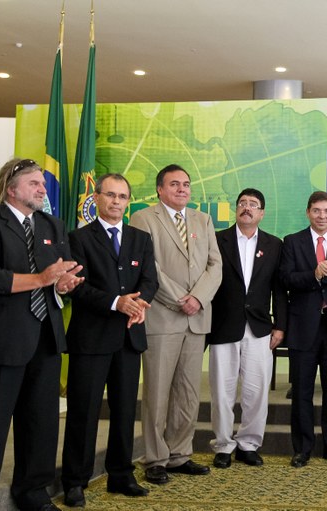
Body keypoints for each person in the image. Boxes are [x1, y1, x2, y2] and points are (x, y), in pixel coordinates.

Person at [0, 158, 83, 511]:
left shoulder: (53, 225)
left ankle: (32, 490)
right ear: (11, 189)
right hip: (3, 340)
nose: (43, 189)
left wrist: (65, 283)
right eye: (34, 183)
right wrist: (41, 280)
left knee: (41, 422)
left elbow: (59, 277)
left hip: (46, 337)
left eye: (42, 184)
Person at [61, 174, 158, 506]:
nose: (117, 201)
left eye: (123, 196)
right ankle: (75, 480)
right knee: (83, 413)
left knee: (124, 410)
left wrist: (140, 301)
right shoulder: (77, 238)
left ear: (129, 201)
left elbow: (150, 280)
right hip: (91, 340)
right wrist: (117, 302)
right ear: (97, 198)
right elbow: (79, 287)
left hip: (129, 338)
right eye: (111, 195)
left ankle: (121, 474)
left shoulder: (141, 238)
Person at [130, 164, 222, 484]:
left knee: (188, 392)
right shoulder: (143, 218)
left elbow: (215, 264)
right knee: (157, 391)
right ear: (160, 189)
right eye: (175, 184)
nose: (182, 189)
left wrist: (198, 298)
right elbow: (148, 266)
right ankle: (155, 457)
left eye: (186, 184)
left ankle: (180, 454)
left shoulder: (203, 219)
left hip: (196, 317)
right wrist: (178, 299)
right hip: (163, 316)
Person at [206, 188, 288, 469]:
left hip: (260, 328)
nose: (247, 208)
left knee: (256, 390)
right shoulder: (217, 240)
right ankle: (223, 445)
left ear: (262, 213)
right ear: (235, 209)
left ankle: (249, 444)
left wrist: (280, 326)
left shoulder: (275, 244)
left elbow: (279, 289)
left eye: (253, 204)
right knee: (222, 390)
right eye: (242, 203)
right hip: (223, 326)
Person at [280, 191, 327, 468]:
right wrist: (314, 275)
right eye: (316, 211)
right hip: (303, 327)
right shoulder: (292, 242)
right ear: (308, 212)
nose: (322, 216)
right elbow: (287, 279)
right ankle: (302, 448)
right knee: (301, 391)